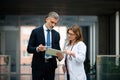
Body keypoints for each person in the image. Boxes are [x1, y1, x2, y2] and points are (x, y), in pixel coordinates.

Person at [27, 11, 63, 80]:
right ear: (47, 19)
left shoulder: (56, 34)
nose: (53, 25)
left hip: (51, 66)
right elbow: (29, 49)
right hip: (38, 66)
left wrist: (60, 57)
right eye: (52, 22)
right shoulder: (35, 32)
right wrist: (37, 48)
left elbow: (58, 50)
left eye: (55, 23)